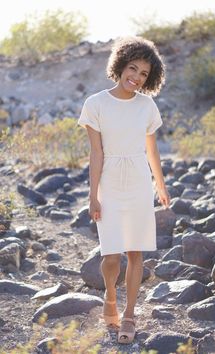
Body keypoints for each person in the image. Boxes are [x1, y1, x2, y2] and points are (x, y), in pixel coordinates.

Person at [77, 36, 170, 344]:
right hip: (110, 181)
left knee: (135, 251)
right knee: (111, 255)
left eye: (144, 74)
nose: (137, 77)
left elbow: (152, 151)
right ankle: (110, 296)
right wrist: (93, 195)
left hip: (139, 183)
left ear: (151, 78)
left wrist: (161, 185)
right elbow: (96, 153)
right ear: (120, 65)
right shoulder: (95, 104)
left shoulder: (147, 105)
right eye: (133, 68)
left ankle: (129, 313)